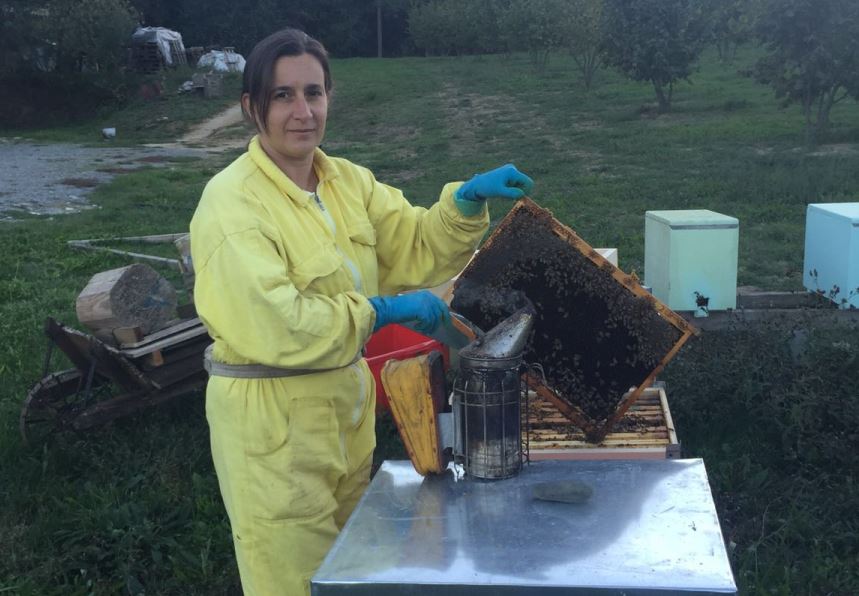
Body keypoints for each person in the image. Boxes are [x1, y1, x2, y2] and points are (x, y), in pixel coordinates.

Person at [189, 27, 533, 596]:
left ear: (329, 97)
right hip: (272, 431)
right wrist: (380, 311)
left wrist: (463, 203)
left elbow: (414, 245)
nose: (302, 112)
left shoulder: (346, 181)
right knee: (294, 584)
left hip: (345, 418)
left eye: (314, 93)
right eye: (282, 96)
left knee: (355, 574)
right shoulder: (232, 205)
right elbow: (279, 325)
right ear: (251, 107)